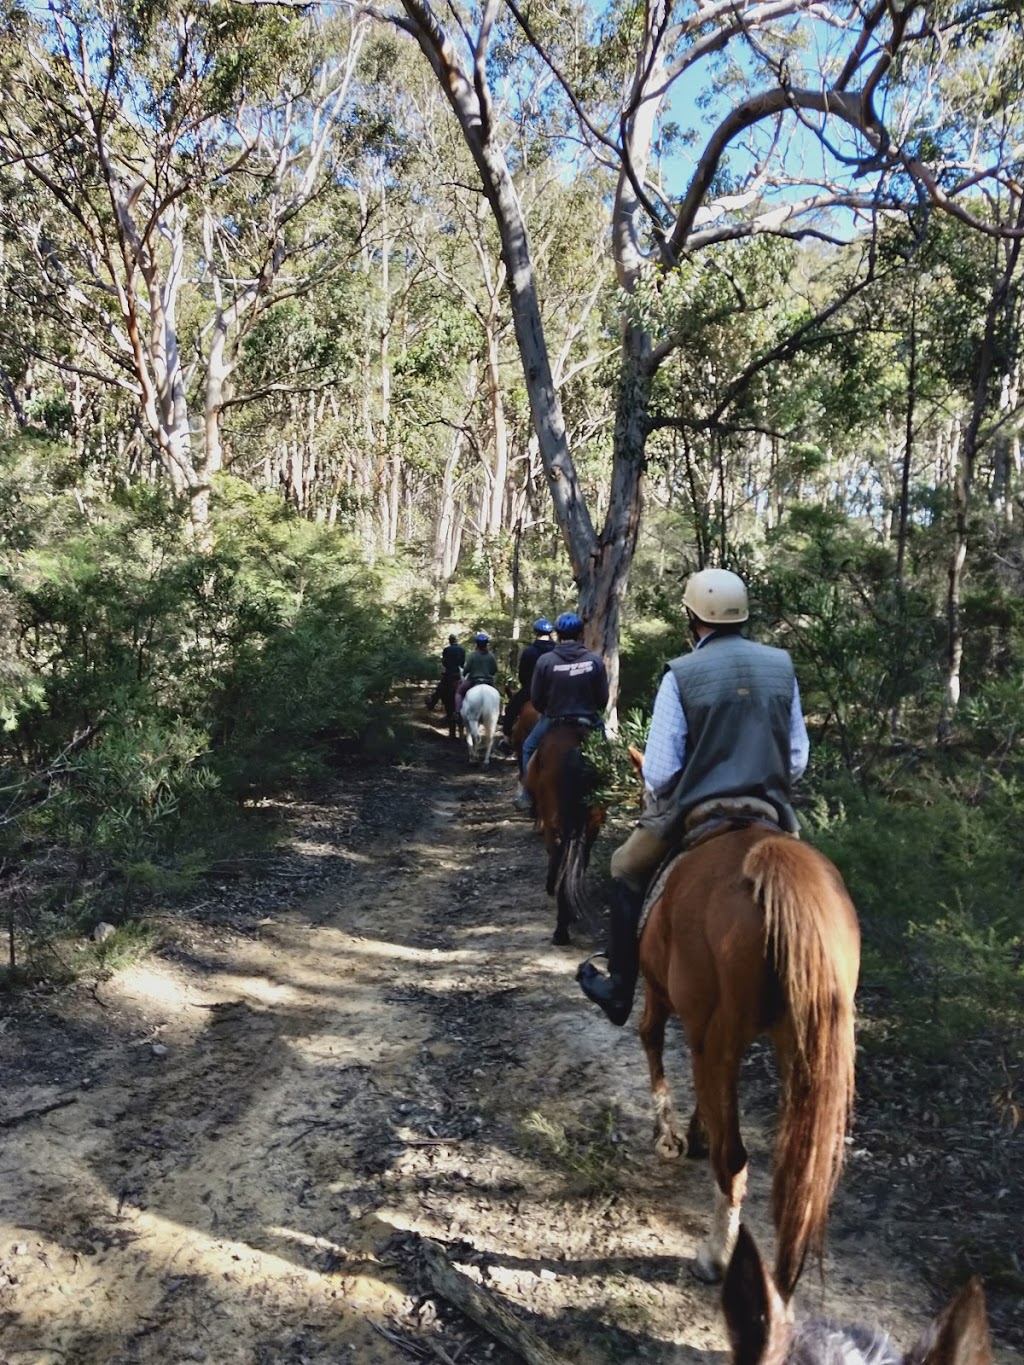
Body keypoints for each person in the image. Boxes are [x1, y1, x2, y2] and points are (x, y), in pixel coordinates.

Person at [577, 567, 810, 1026]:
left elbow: (661, 771)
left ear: (692, 617)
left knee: (623, 867)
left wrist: (664, 797)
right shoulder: (781, 666)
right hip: (770, 809)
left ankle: (620, 987)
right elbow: (797, 757)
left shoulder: (681, 674)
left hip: (698, 808)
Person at [513, 612, 609, 812]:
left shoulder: (546, 661)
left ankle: (526, 794)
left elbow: (536, 697)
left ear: (558, 633)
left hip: (554, 718)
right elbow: (603, 699)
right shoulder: (594, 660)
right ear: (580, 633)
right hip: (588, 719)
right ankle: (606, 792)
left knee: (529, 747)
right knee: (605, 751)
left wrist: (547, 710)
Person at [502, 619, 555, 735]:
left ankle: (506, 738)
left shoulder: (529, 651)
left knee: (511, 709)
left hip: (531, 691)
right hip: (555, 692)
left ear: (536, 632)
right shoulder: (557, 650)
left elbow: (522, 675)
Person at [455, 631, 498, 712]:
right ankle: (498, 715)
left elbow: (466, 670)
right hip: (488, 681)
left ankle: (457, 712)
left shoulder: (472, 655)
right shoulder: (491, 656)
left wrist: (464, 674)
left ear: (477, 644)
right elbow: (494, 671)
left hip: (473, 680)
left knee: (459, 693)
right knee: (497, 696)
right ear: (486, 643)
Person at [426, 634, 466, 711]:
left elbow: (444, 662)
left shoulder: (446, 650)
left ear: (450, 641)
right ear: (456, 640)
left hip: (449, 674)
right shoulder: (462, 650)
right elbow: (462, 663)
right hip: (458, 674)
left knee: (440, 689)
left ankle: (432, 703)